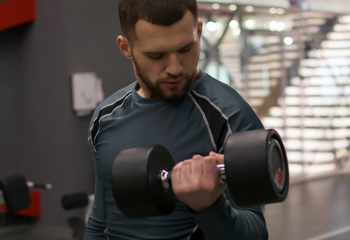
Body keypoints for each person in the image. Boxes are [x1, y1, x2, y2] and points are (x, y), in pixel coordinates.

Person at [83, 0, 269, 239]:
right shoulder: (104, 117)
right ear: (125, 47)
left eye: (185, 49)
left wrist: (209, 206)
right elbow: (99, 221)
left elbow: (257, 234)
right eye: (156, 55)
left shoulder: (230, 116)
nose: (175, 68)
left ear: (199, 31)